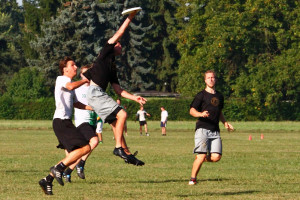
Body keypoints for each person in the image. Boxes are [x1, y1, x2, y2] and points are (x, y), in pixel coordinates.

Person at [83, 11, 145, 166]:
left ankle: (127, 155)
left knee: (117, 124)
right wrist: (130, 17)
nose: (120, 44)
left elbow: (119, 91)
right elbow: (120, 32)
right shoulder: (105, 52)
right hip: (95, 92)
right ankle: (118, 148)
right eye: (118, 43)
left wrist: (135, 97)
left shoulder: (112, 67)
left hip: (97, 94)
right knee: (122, 114)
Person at [39, 57, 93, 195]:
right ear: (65, 69)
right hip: (61, 121)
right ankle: (58, 168)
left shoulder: (71, 84)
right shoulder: (62, 79)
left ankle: (47, 180)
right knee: (85, 147)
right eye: (73, 65)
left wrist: (92, 108)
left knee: (73, 154)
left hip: (65, 122)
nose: (76, 67)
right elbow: (70, 86)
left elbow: (76, 103)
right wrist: (85, 80)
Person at [188, 70, 234, 185]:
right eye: (208, 78)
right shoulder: (201, 95)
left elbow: (219, 112)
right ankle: (193, 179)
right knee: (202, 155)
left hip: (215, 130)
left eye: (213, 77)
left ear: (215, 79)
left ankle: (200, 158)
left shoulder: (219, 96)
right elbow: (192, 110)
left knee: (216, 157)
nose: (211, 79)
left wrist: (225, 123)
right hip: (202, 129)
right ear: (205, 80)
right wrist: (200, 114)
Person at [62, 65, 99, 183]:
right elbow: (71, 101)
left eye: (89, 73)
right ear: (81, 75)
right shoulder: (77, 88)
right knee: (94, 141)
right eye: (85, 73)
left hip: (92, 121)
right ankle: (80, 164)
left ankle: (67, 171)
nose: (87, 75)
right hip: (82, 121)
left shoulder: (95, 88)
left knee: (83, 149)